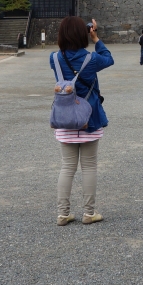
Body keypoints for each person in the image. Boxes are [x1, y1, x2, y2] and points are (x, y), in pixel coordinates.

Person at [50, 17, 114, 226]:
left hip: (65, 118)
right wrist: (95, 38)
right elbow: (108, 58)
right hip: (89, 118)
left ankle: (63, 214)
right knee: (89, 167)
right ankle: (89, 213)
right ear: (83, 33)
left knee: (67, 167)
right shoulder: (91, 59)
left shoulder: (54, 58)